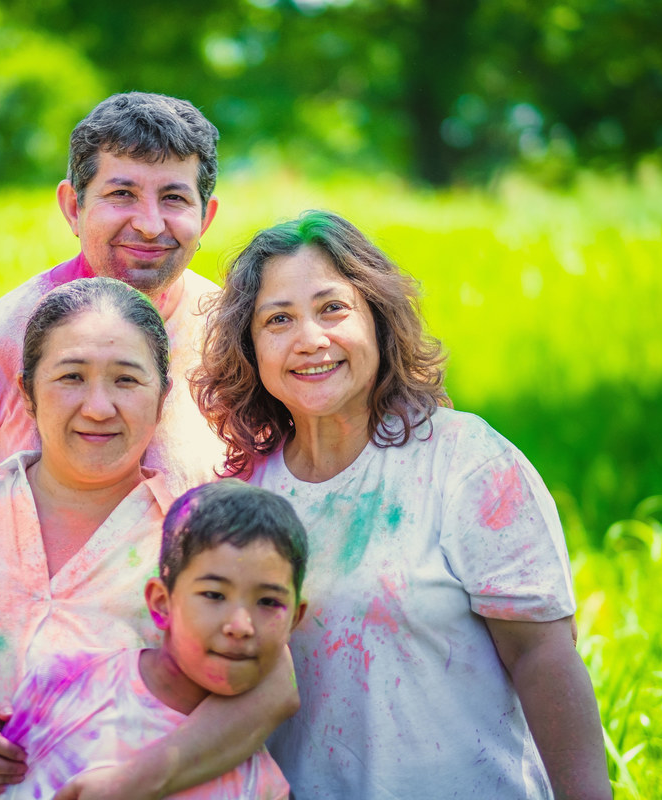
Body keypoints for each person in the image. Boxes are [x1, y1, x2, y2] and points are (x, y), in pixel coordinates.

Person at [190, 211, 612, 799]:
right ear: (251, 348)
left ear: (378, 320)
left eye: (333, 308)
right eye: (278, 319)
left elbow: (544, 660)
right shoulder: (245, 497)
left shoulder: (466, 462)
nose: (310, 338)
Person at [0, 278, 297, 800]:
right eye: (71, 377)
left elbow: (268, 688)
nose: (98, 407)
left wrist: (133, 781)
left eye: (126, 380)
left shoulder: (195, 544)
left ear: (163, 395)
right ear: (27, 392)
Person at [0, 91, 224, 505]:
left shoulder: (236, 335)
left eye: (174, 198)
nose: (150, 225)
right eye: (121, 194)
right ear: (73, 208)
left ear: (205, 217)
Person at [0, 479, 308, 800]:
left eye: (268, 602)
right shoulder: (64, 684)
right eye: (214, 594)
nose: (241, 626)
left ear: (294, 621)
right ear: (162, 604)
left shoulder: (260, 789)